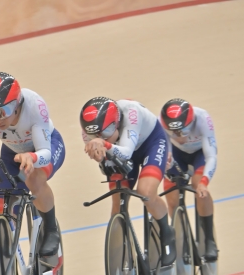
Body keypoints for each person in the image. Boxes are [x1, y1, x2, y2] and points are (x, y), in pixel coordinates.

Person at [0, 72, 65, 256]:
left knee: (34, 179)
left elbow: (45, 152)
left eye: (3, 111)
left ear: (17, 104)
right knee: (2, 201)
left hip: (44, 147)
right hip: (13, 152)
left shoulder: (34, 105)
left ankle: (51, 230)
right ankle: (9, 254)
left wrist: (32, 157)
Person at [80, 97, 176, 266]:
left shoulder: (132, 113)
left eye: (106, 132)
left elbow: (125, 152)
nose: (100, 137)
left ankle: (167, 233)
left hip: (150, 144)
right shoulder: (89, 131)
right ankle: (121, 258)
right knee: (118, 202)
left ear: (116, 123)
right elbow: (104, 161)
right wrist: (101, 159)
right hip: (119, 149)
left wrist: (104, 145)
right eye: (95, 134)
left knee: (146, 192)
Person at [161, 98, 218, 260]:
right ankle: (183, 239)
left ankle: (209, 239)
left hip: (199, 154)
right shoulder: (161, 123)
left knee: (199, 188)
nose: (178, 136)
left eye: (182, 131)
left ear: (191, 123)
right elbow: (166, 154)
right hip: (176, 154)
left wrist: (204, 183)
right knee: (172, 198)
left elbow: (211, 156)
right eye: (173, 133)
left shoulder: (202, 119)